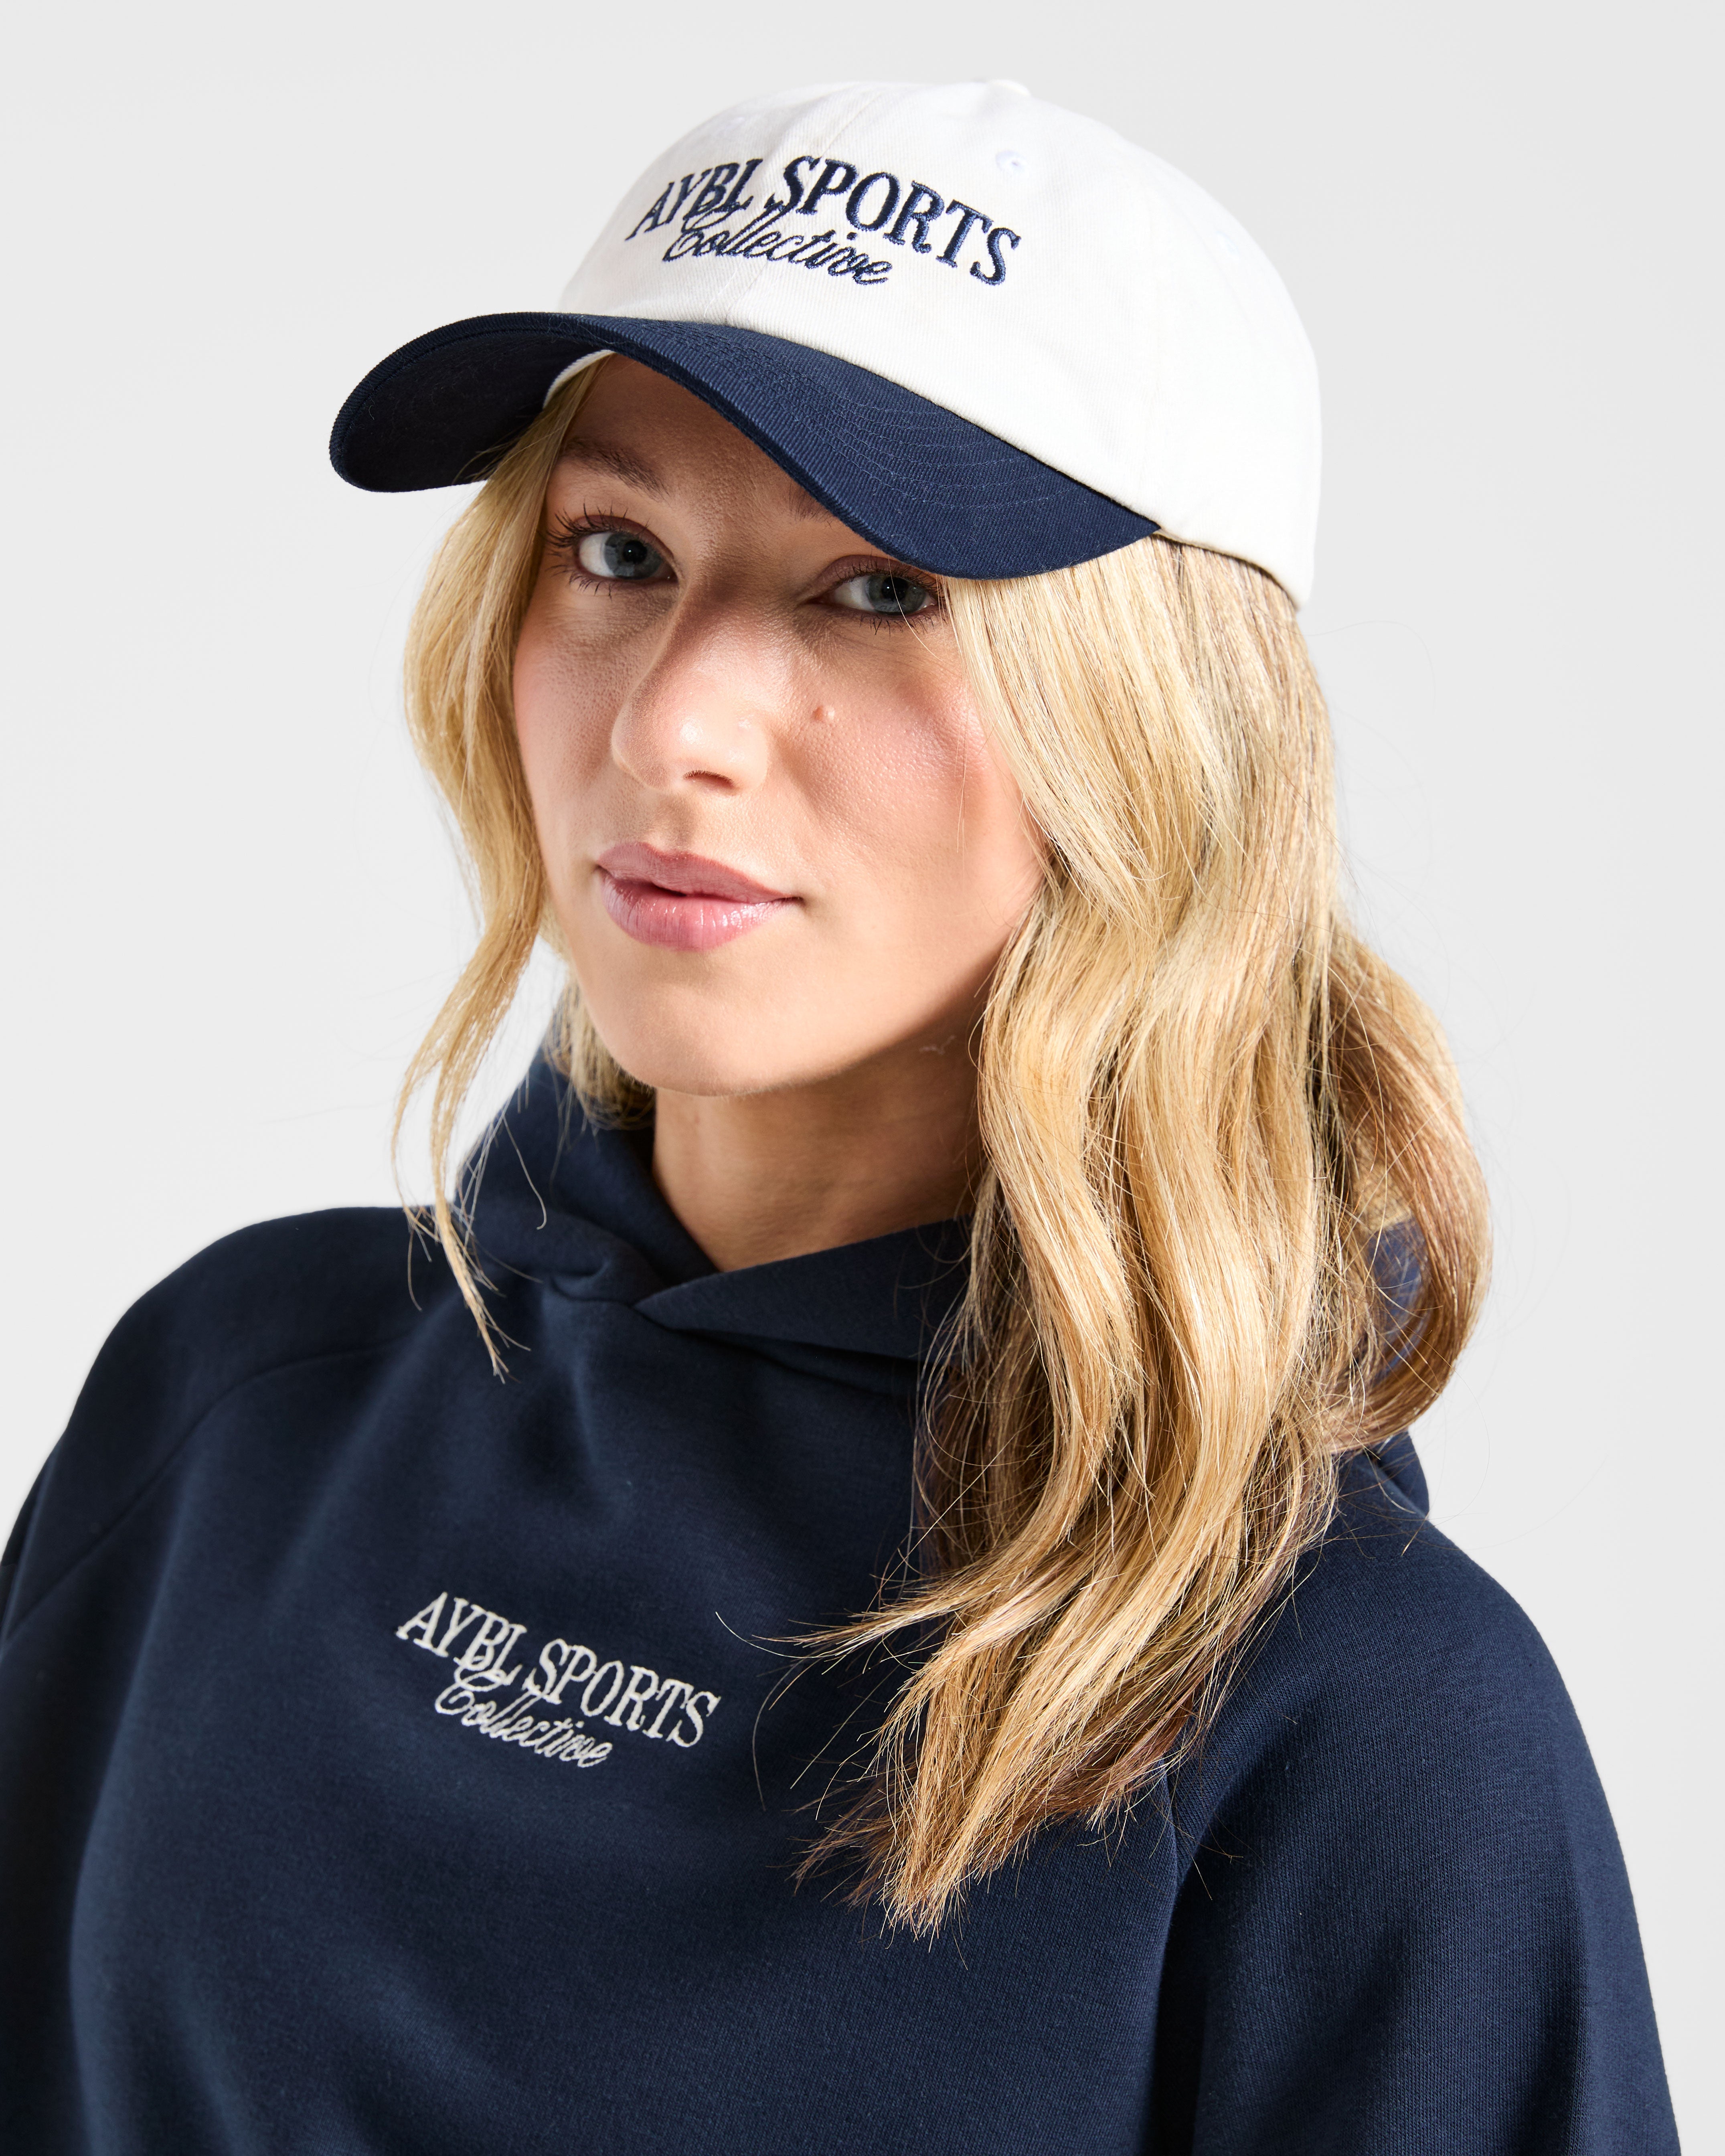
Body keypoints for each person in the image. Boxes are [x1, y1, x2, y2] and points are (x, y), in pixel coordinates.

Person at [0, 79, 1677, 2155]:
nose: (671, 718)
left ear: (1156, 734)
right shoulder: (235, 1406)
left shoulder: (1349, 1714)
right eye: (617, 552)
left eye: (877, 590)